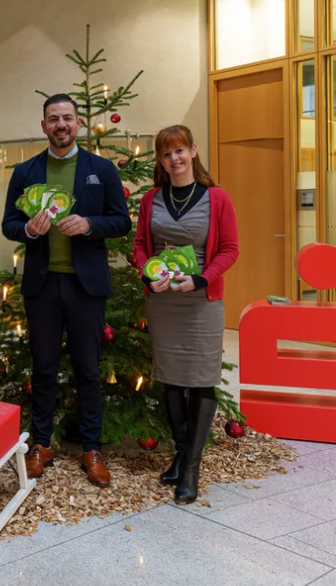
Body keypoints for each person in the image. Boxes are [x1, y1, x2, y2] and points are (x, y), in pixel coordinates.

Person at [1, 94, 131, 488]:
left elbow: (121, 222)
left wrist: (90, 225)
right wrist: (28, 230)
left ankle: (91, 447)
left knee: (88, 369)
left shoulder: (102, 169)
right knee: (43, 368)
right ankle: (42, 443)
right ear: (43, 126)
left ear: (78, 124)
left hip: (85, 284)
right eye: (53, 118)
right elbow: (9, 223)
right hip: (42, 284)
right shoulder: (25, 171)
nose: (61, 124)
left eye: (68, 118)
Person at [132, 125, 239, 504]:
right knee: (172, 379)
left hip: (201, 303)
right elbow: (140, 247)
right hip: (163, 302)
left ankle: (192, 468)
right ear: (160, 161)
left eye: (179, 151)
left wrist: (200, 279)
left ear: (193, 151)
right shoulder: (151, 199)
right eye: (166, 154)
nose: (174, 159)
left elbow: (229, 249)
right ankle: (180, 453)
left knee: (201, 380)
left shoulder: (217, 198)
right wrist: (148, 275)